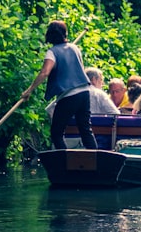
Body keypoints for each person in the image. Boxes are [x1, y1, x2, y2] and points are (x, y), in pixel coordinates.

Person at [21, 20, 97, 150]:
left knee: (56, 133)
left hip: (69, 96)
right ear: (64, 34)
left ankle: (64, 162)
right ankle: (95, 159)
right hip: (84, 93)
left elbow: (45, 72)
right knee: (85, 130)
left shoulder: (52, 52)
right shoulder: (75, 48)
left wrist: (29, 90)